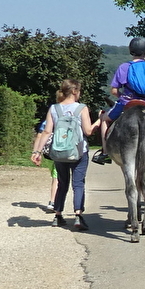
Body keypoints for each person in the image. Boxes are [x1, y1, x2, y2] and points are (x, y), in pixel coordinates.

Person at [29, 79, 97, 231]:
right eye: (79, 91)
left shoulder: (54, 108)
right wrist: (99, 122)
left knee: (62, 183)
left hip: (59, 152)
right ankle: (78, 216)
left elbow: (47, 132)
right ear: (74, 91)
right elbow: (88, 131)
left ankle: (58, 215)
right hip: (79, 152)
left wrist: (37, 151)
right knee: (78, 183)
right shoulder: (82, 108)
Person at [93, 37, 145, 164]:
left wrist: (124, 96)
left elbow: (114, 91)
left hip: (127, 103)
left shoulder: (124, 67)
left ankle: (105, 153)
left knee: (104, 119)